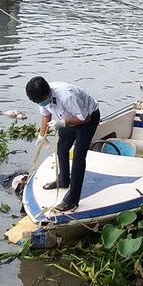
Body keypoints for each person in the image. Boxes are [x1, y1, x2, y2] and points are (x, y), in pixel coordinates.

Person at [25, 76, 101, 212]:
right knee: (62, 148)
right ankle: (63, 180)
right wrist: (42, 135)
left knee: (78, 156)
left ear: (49, 92)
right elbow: (46, 115)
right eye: (38, 102)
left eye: (42, 101)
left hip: (87, 118)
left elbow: (85, 118)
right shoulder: (41, 96)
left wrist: (63, 123)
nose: (42, 104)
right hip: (67, 117)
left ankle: (72, 200)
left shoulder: (66, 96)